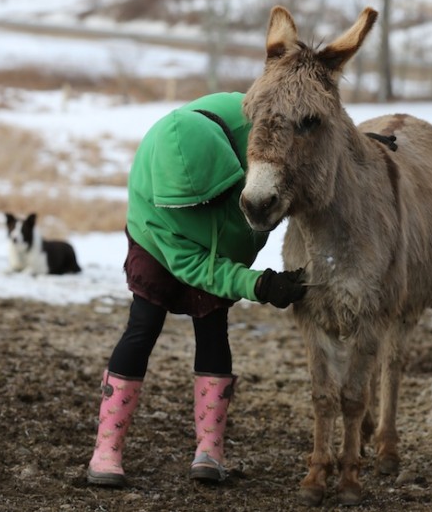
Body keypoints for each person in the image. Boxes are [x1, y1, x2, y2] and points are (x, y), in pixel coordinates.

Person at [86, 92, 307, 487]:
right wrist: (258, 284)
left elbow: (313, 135)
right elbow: (196, 267)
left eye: (216, 197)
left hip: (222, 238)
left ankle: (210, 450)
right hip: (162, 245)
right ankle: (107, 450)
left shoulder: (253, 119)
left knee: (212, 326)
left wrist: (356, 149)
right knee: (144, 324)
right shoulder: (156, 207)